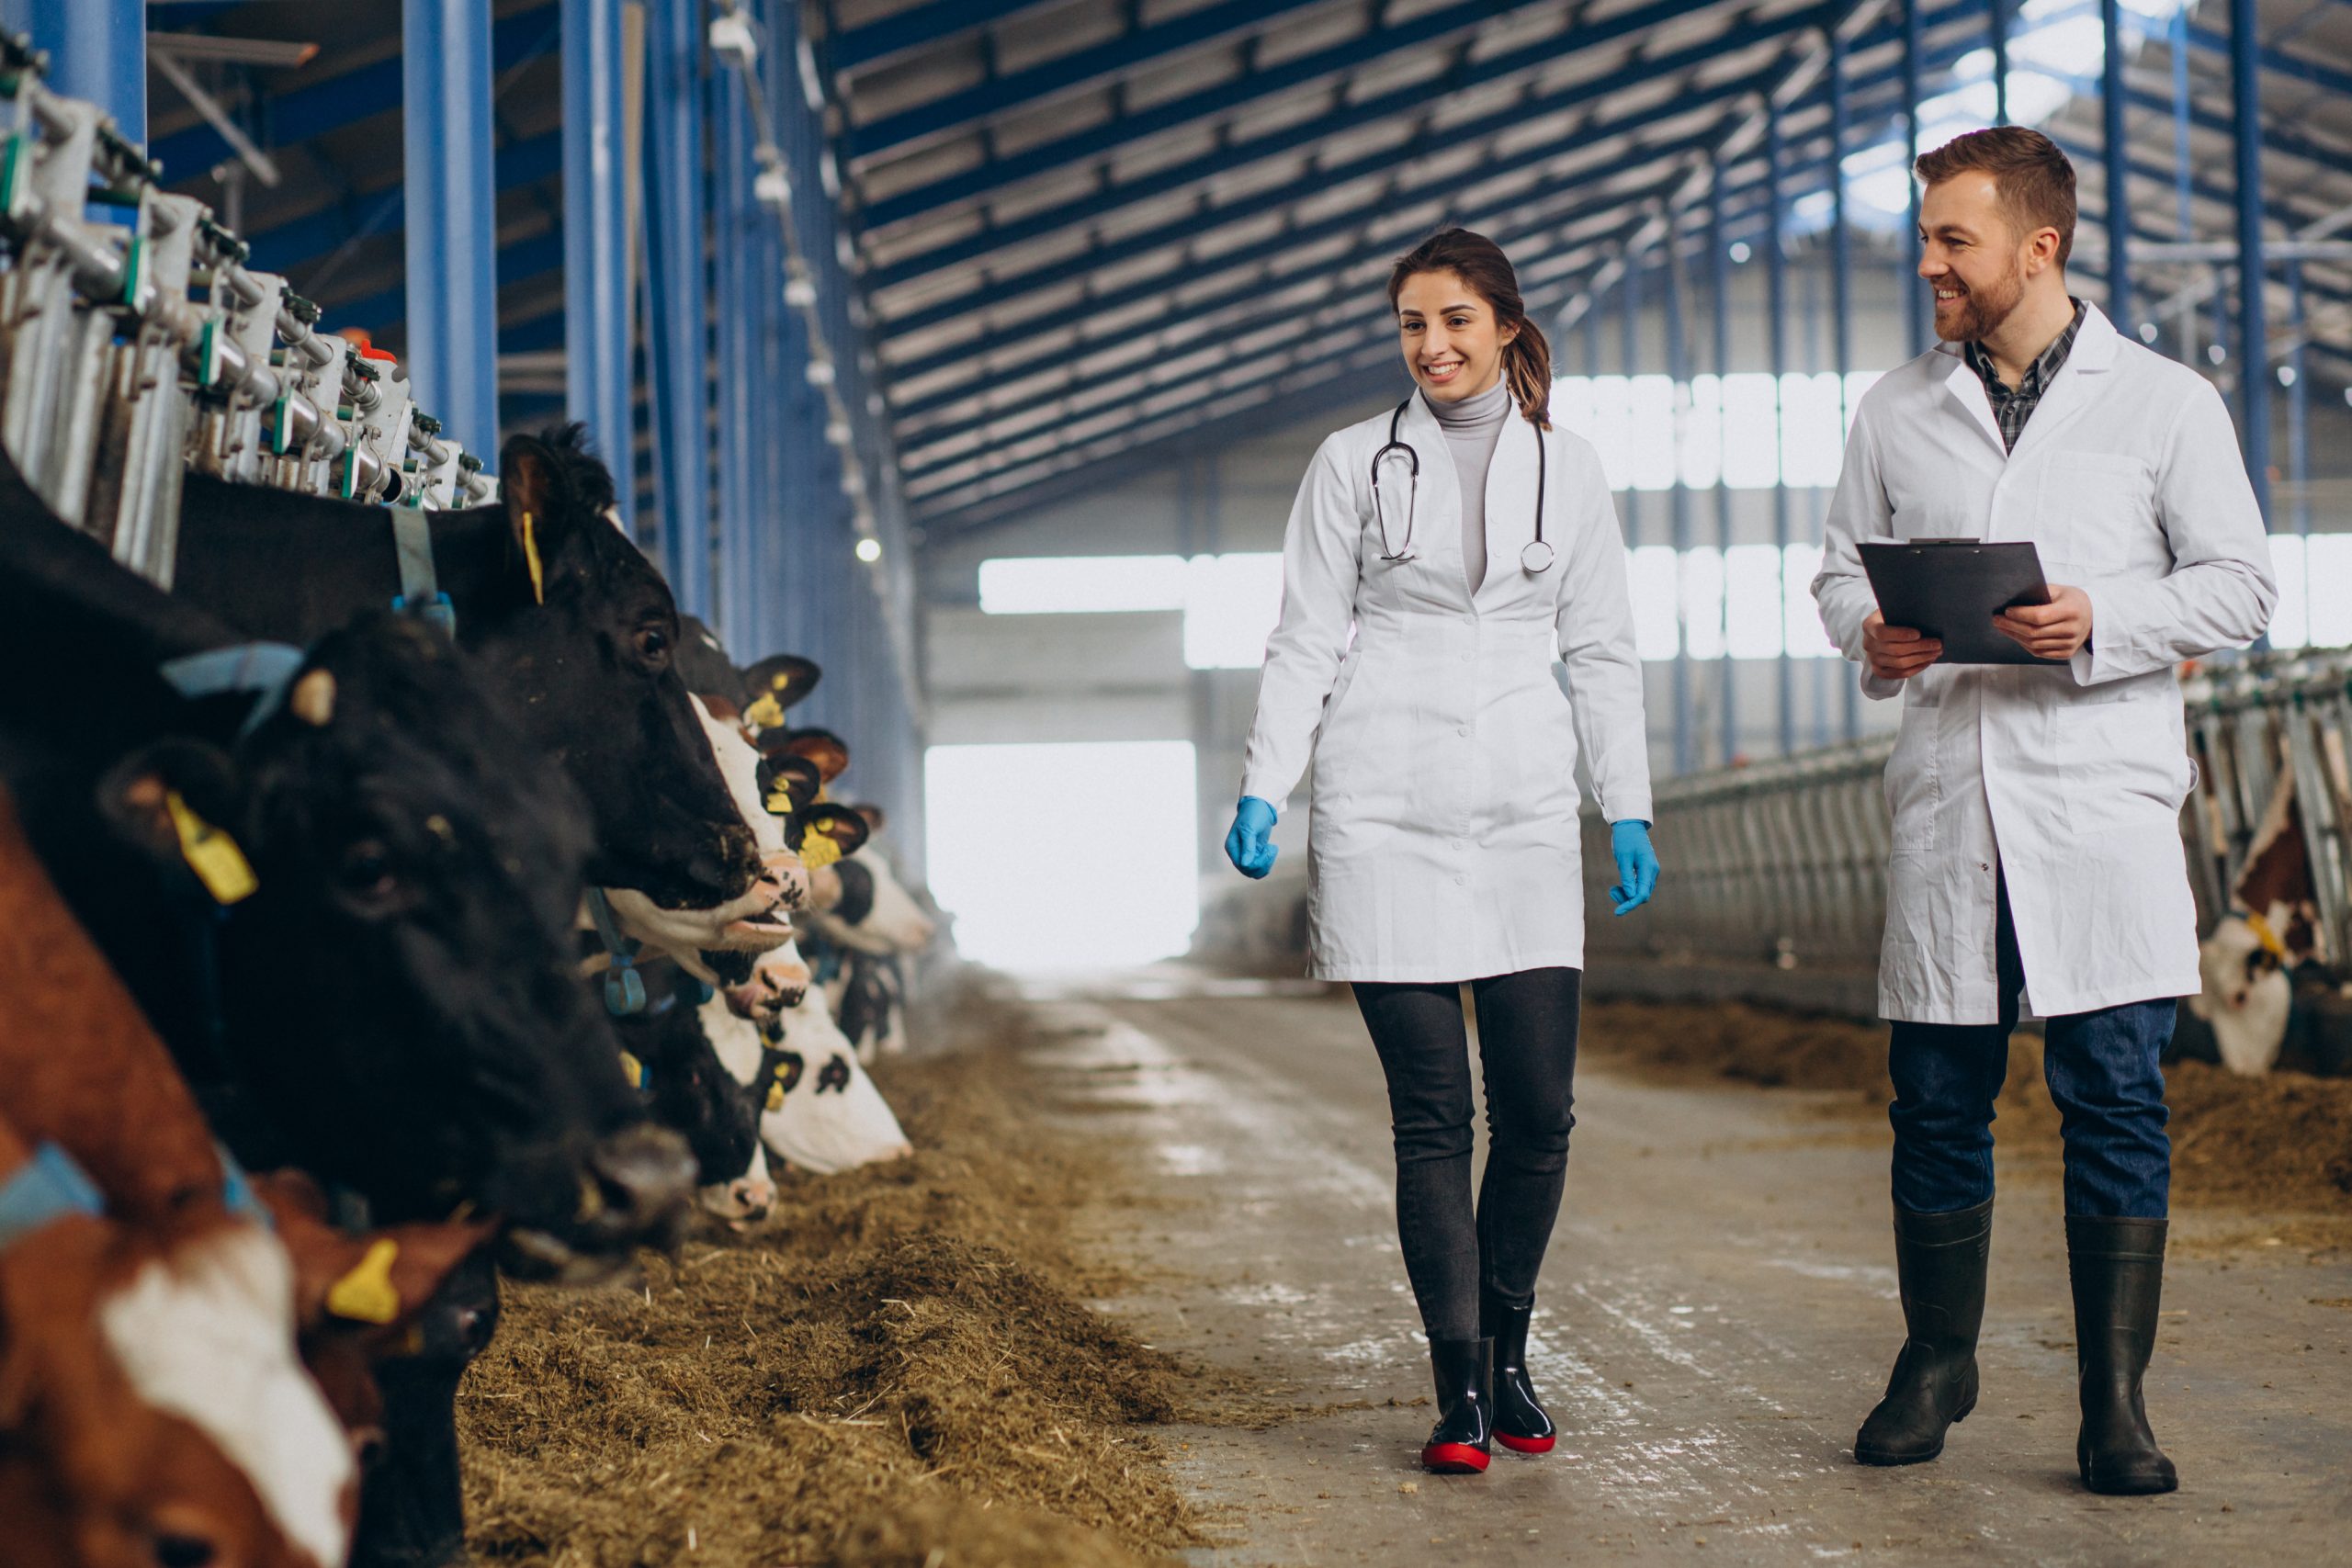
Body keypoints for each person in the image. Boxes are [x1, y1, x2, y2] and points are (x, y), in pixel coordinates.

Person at [1812, 128, 2274, 1495]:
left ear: (2039, 247)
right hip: (1955, 792)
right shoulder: (1896, 406)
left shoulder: (2165, 403)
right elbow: (1841, 577)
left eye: (1953, 239)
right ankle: (1937, 1359)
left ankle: (2115, 1405)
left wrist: (2103, 618)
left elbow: (2242, 588)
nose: (1930, 263)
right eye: (1927, 236)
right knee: (1935, 1097)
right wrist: (1873, 642)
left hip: (2096, 802)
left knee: (2116, 1096)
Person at [1225, 228, 1658, 1476]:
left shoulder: (1566, 472)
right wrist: (1269, 786)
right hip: (1381, 810)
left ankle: (1512, 1349)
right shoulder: (1351, 463)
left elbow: (1604, 649)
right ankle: (1460, 1389)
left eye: (1458, 321)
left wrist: (1624, 803)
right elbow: (1304, 639)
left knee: (1540, 1116)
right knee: (1433, 1119)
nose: (1435, 346)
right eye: (1414, 325)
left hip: (1523, 809)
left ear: (1507, 328)